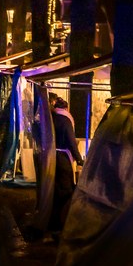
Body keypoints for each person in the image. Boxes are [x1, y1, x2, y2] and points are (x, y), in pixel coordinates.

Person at [49, 94, 83, 230]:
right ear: (66, 109)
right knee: (66, 191)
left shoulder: (52, 118)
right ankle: (61, 223)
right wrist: (79, 159)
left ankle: (53, 221)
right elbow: (71, 142)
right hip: (63, 158)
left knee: (55, 191)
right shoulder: (65, 120)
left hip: (51, 156)